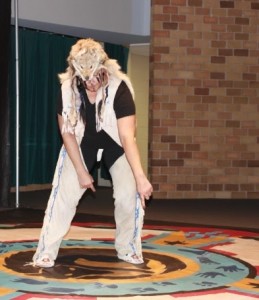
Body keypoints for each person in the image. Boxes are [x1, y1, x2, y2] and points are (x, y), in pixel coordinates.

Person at [32, 38, 153, 268]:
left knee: (129, 194)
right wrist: (80, 172)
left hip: (115, 143)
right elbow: (67, 134)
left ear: (103, 69)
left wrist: (140, 178)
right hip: (81, 142)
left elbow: (127, 137)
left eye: (97, 77)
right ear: (77, 75)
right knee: (64, 196)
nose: (92, 84)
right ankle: (46, 250)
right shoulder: (67, 90)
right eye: (85, 80)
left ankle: (128, 248)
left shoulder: (120, 88)